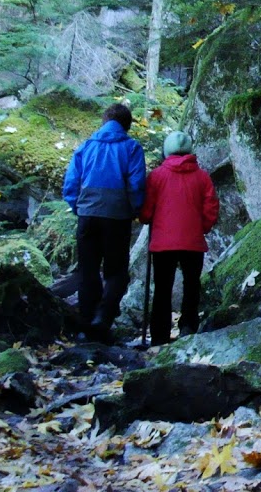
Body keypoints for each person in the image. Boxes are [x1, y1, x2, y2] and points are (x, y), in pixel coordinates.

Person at [62, 103, 146, 344]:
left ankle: (86, 323)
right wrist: (134, 209)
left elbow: (71, 184)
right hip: (117, 218)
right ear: (126, 125)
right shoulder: (131, 148)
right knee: (116, 271)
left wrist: (78, 207)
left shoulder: (86, 146)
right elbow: (137, 185)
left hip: (88, 216)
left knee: (87, 269)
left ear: (104, 120)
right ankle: (104, 318)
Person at [140, 130, 218, 347]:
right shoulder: (202, 176)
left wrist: (145, 217)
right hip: (192, 241)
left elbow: (147, 210)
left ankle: (159, 336)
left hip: (163, 243)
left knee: (163, 289)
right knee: (192, 286)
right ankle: (188, 327)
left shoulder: (156, 176)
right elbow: (211, 206)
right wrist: (201, 227)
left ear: (166, 151)